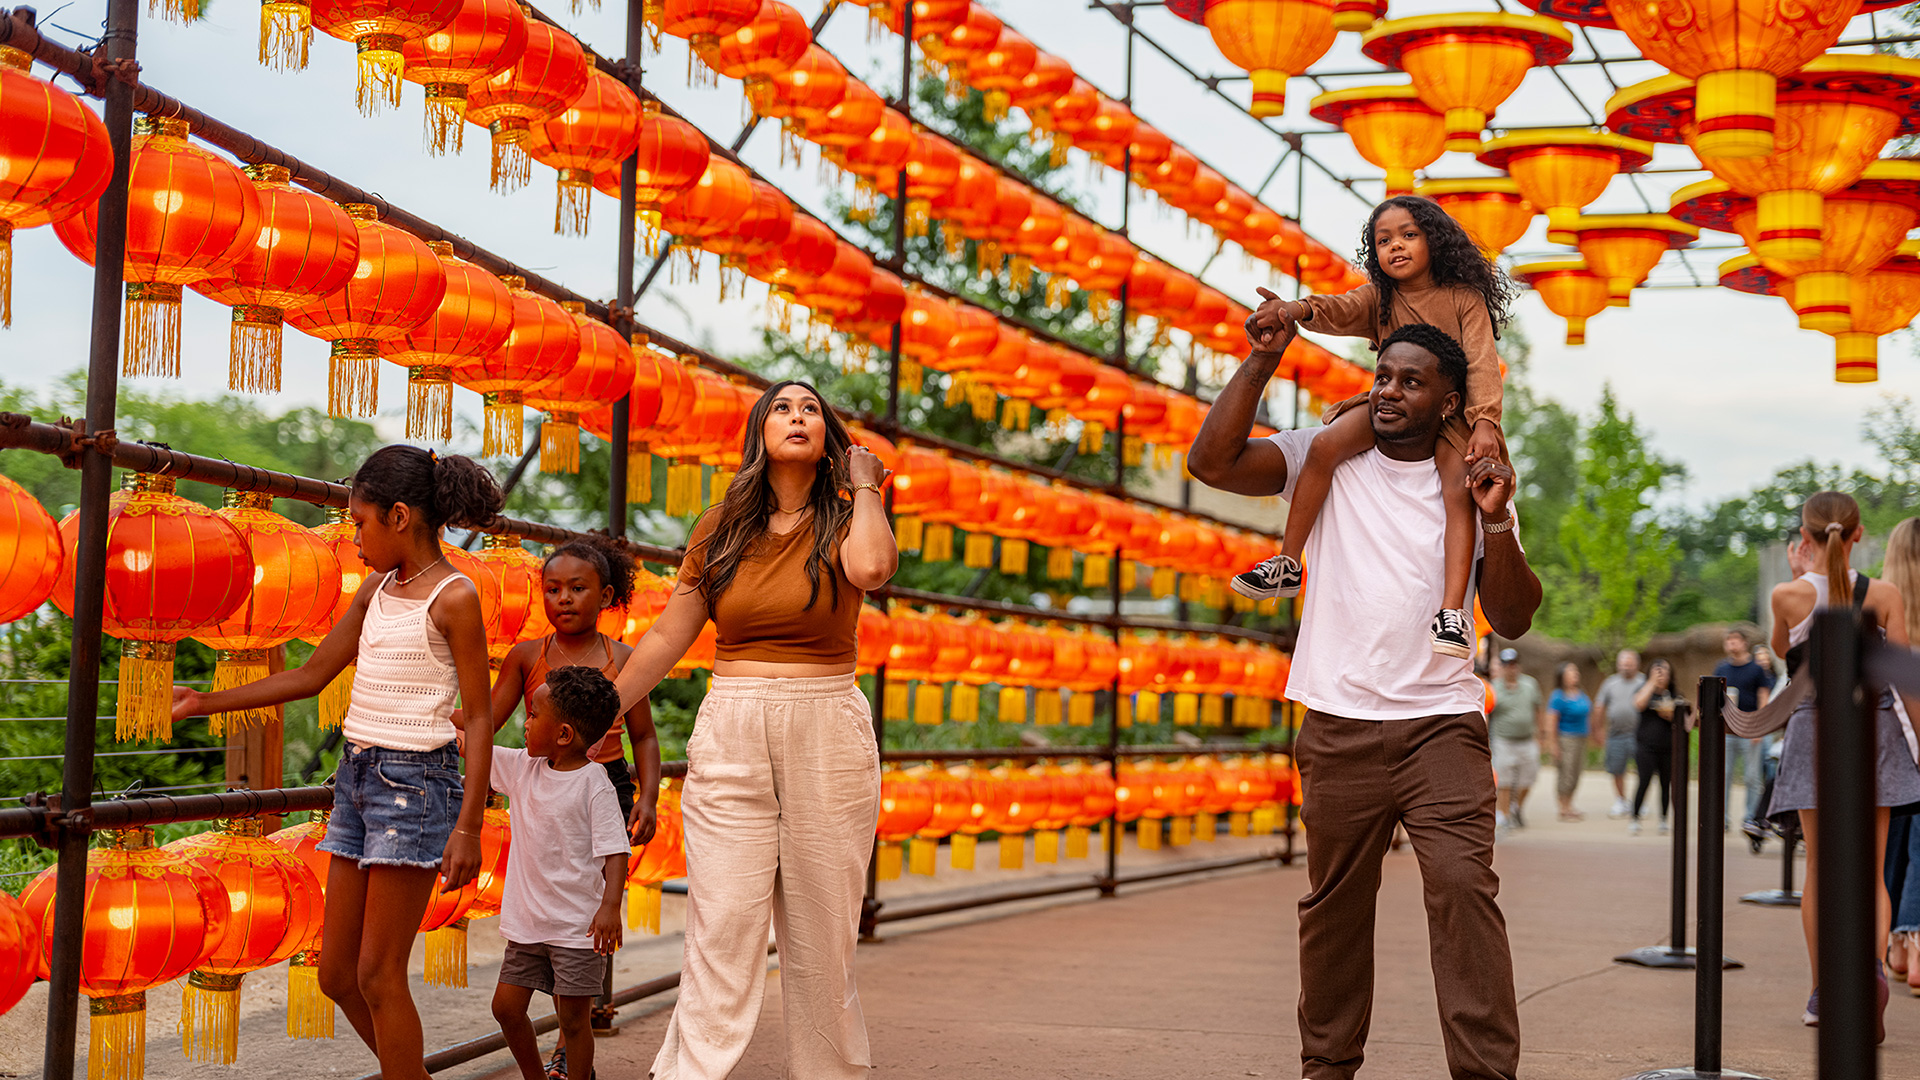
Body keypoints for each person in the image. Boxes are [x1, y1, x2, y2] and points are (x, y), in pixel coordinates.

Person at [1188, 311, 1542, 1080]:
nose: (1387, 393)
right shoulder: (1326, 454)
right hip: (1338, 722)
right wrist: (1261, 360)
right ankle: (1328, 1068)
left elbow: (1513, 616)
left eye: (1411, 383)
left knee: (1462, 888)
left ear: (1450, 403)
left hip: (1440, 725)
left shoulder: (1474, 475)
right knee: (1334, 907)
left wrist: (1501, 525)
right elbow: (1211, 463)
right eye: (1382, 377)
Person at [170, 445, 501, 1080]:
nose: (353, 539)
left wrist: (468, 827)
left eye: (360, 522)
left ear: (400, 516)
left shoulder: (455, 597)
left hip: (416, 787)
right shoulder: (377, 588)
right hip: (354, 780)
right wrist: (203, 701)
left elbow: (481, 718)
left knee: (378, 976)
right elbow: (313, 673)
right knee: (336, 975)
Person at [609, 381, 897, 1080]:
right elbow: (667, 637)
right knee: (723, 922)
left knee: (823, 936)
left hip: (826, 724)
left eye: (810, 411)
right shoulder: (721, 526)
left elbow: (872, 569)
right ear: (759, 431)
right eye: (781, 409)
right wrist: (605, 712)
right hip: (732, 723)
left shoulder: (848, 515)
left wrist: (867, 488)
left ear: (827, 436)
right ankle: (688, 1074)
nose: (797, 418)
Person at [1233, 195, 1519, 661]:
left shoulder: (1463, 299)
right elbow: (1339, 308)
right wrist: (1296, 310)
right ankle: (1287, 563)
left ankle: (1452, 614)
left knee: (1456, 490)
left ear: (1436, 242)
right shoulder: (1380, 299)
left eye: (1409, 235)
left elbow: (1484, 365)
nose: (1396, 247)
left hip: (1455, 415)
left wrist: (1484, 420)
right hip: (1390, 408)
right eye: (1383, 241)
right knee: (1325, 446)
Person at [481, 534, 663, 1078]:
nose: (563, 598)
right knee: (553, 885)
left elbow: (646, 738)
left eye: (577, 588)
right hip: (543, 774)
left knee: (587, 900)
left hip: (603, 779)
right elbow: (485, 725)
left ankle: (571, 1036)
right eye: (552, 588)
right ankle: (565, 1039)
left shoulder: (623, 659)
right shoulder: (526, 656)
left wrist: (648, 798)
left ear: (605, 595)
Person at [1766, 491, 1920, 1037]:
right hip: (1875, 729)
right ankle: (1869, 975)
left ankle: (1823, 990)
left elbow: (1783, 651)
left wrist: (1799, 574)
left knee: (1818, 870)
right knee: (1871, 870)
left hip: (1814, 728)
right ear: (1858, 537)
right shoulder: (1885, 594)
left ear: (1804, 540)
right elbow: (1903, 677)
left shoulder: (1787, 594)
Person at [490, 666, 631, 1080]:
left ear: (564, 734)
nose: (525, 722)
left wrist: (610, 907)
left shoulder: (594, 783)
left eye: (533, 715)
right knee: (506, 1008)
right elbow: (471, 744)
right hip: (528, 925)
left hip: (576, 929)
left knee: (572, 1022)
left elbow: (615, 850)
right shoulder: (522, 769)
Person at [1877, 516, 1920, 996]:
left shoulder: (1879, 598)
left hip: (1891, 738)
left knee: (1889, 844)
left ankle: (1889, 945)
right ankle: (1916, 947)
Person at [1715, 628, 1774, 834]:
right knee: (1724, 774)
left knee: (1751, 776)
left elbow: (1763, 696)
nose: (1731, 644)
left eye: (1735, 640)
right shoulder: (1721, 668)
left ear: (1744, 643)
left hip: (1750, 729)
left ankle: (1751, 817)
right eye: (1728, 640)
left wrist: (1760, 727)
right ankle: (1721, 817)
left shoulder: (1756, 669)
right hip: (1727, 731)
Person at [1486, 648, 1546, 835]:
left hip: (1527, 739)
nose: (1511, 668)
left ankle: (1514, 807)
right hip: (1503, 739)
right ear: (1502, 667)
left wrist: (1542, 733)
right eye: (1507, 665)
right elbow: (1487, 713)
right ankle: (1503, 816)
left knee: (1528, 778)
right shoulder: (1493, 687)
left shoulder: (1530, 685)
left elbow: (1538, 708)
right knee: (1504, 779)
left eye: (1514, 664)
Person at [1629, 659, 1686, 836]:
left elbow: (1684, 717)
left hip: (1668, 746)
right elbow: (1638, 704)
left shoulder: (1675, 695)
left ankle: (1663, 818)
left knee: (1666, 783)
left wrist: (1670, 715)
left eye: (1664, 672)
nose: (1661, 676)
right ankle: (1635, 817)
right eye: (1657, 672)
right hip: (1646, 745)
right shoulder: (1644, 690)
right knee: (1644, 780)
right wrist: (1652, 683)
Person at [1593, 650, 1646, 819]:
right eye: (1623, 664)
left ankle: (1640, 801)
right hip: (1616, 733)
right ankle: (1621, 800)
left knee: (1642, 769)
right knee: (1616, 769)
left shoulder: (1644, 681)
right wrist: (1598, 729)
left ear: (1636, 664)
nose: (1626, 667)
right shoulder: (1610, 683)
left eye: (1629, 664)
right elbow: (1599, 706)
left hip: (1640, 734)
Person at [1548, 663, 1593, 822]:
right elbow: (1552, 721)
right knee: (1566, 773)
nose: (1575, 674)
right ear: (1562, 676)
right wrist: (1554, 745)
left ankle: (1570, 804)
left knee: (1576, 772)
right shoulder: (1558, 696)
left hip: (1581, 738)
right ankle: (1563, 807)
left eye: (1576, 671)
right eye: (1570, 672)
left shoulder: (1581, 693)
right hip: (1566, 738)